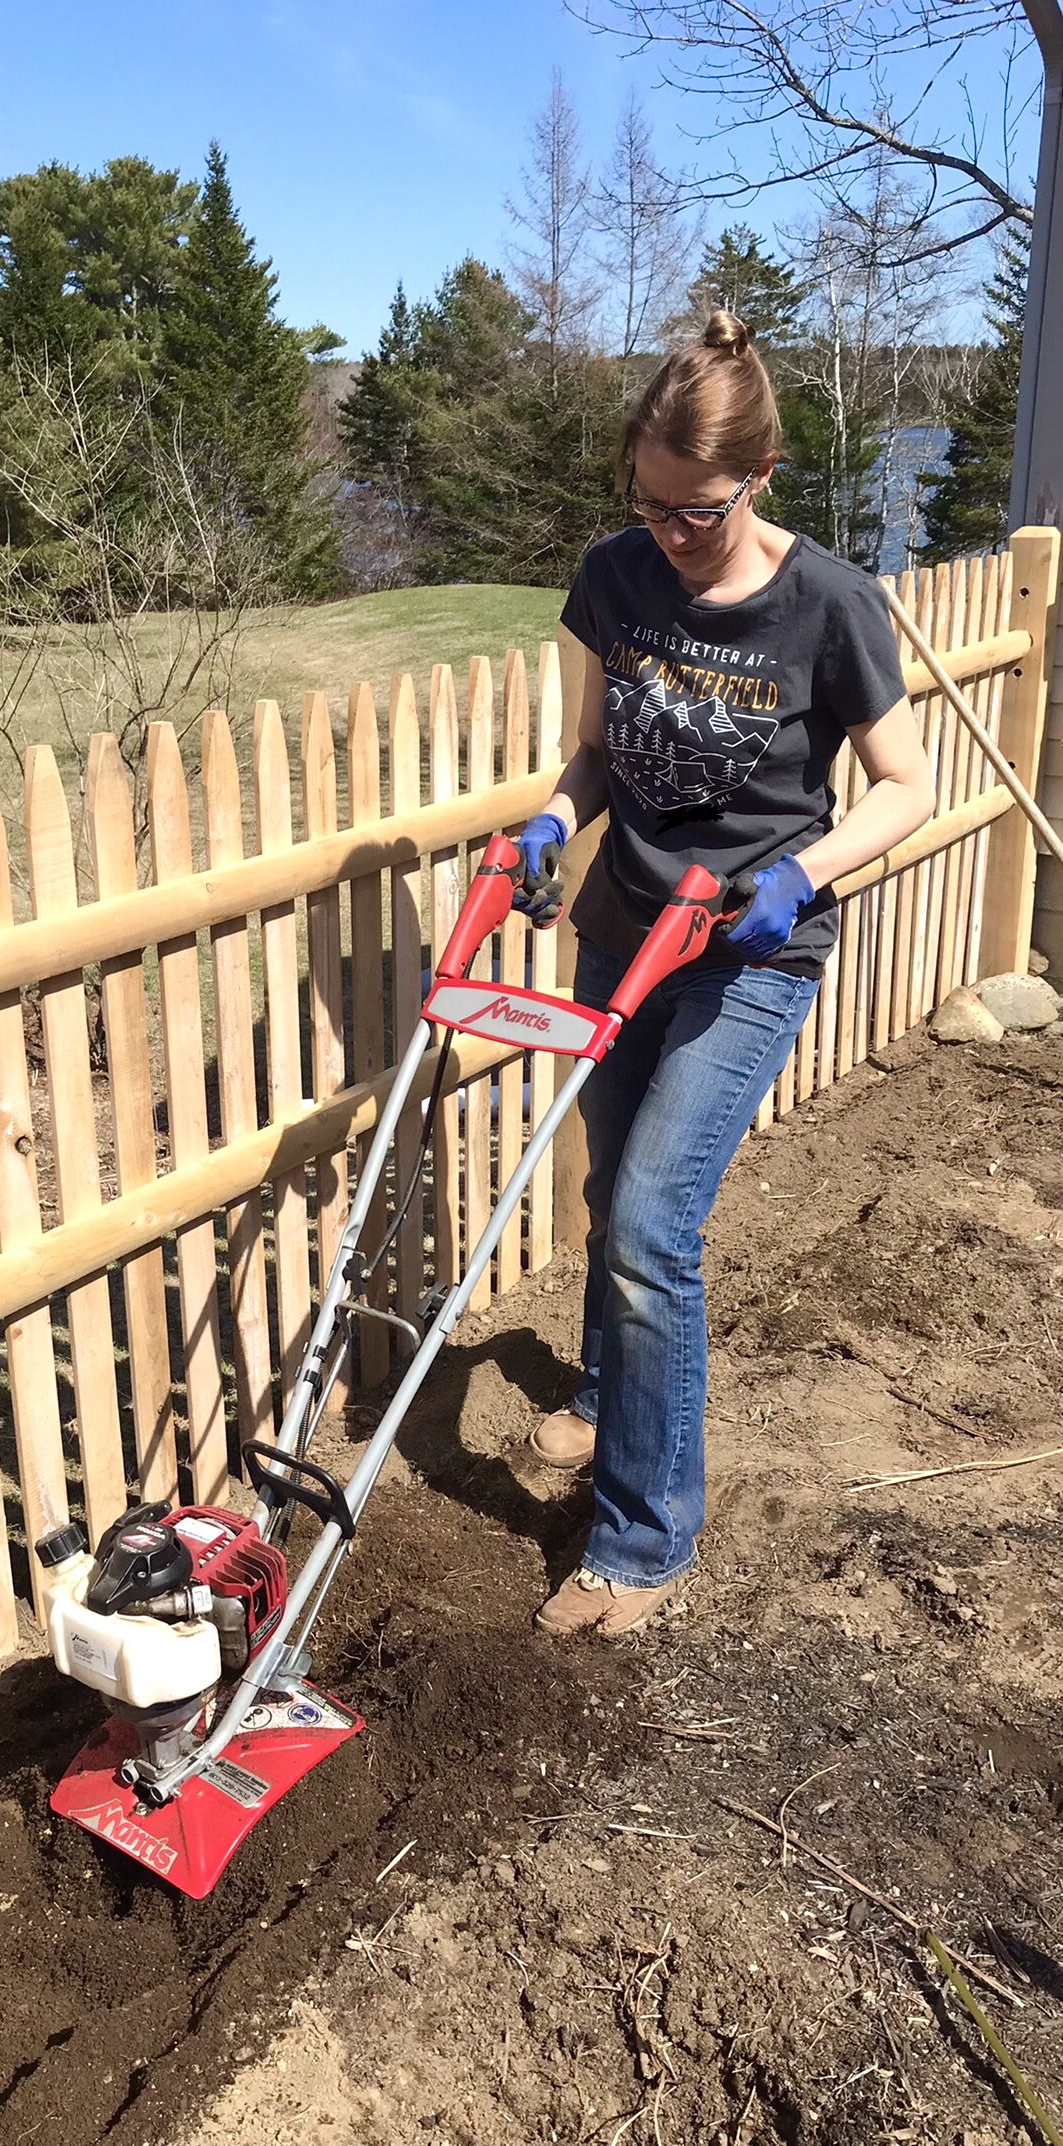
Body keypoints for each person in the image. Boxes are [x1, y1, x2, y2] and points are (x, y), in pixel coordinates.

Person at [515, 309, 934, 1640]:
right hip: (624, 921)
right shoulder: (616, 576)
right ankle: (603, 1395)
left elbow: (906, 786)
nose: (667, 534)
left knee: (651, 1220)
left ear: (759, 479)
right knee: (608, 1174)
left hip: (748, 947)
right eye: (646, 503)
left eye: (693, 511)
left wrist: (803, 875)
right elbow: (597, 755)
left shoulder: (831, 604)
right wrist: (548, 819)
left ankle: (644, 1539)